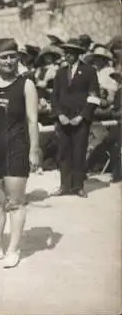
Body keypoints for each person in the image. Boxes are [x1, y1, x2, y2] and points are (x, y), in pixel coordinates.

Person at [0, 38, 40, 269]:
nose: (9, 61)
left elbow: (33, 120)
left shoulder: (26, 85)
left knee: (15, 202)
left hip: (17, 148)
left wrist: (34, 149)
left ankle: (13, 249)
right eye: (4, 57)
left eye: (13, 56)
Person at [50, 38, 100, 198]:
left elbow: (94, 97)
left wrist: (82, 116)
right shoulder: (60, 72)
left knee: (79, 151)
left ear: (78, 54)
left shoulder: (89, 71)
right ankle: (64, 185)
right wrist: (60, 115)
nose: (67, 56)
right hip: (63, 119)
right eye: (66, 53)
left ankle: (78, 186)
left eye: (71, 53)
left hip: (80, 120)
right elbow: (54, 97)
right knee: (63, 152)